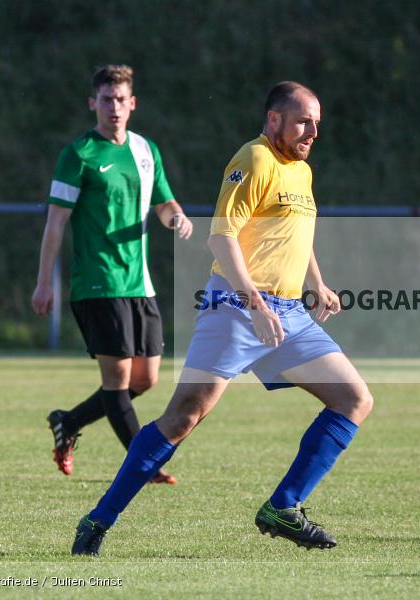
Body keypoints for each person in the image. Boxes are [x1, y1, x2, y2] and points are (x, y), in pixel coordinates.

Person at [70, 81, 374, 556]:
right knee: (183, 417)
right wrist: (254, 303)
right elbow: (221, 238)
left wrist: (317, 281)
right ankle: (98, 519)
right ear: (274, 120)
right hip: (236, 306)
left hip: (289, 312)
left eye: (317, 121)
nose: (314, 130)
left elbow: (295, 232)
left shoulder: (301, 169)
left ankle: (284, 507)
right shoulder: (253, 159)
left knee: (354, 399)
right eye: (303, 120)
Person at [31, 64, 193, 485]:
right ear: (93, 104)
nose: (114, 107)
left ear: (133, 103)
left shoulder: (145, 150)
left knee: (146, 379)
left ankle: (68, 421)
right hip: (98, 284)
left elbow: (164, 204)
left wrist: (177, 218)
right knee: (117, 382)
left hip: (139, 283)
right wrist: (44, 279)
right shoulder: (78, 155)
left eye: (121, 99)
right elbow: (55, 223)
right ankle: (145, 464)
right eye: (106, 99)